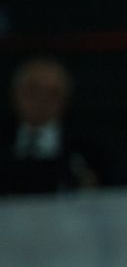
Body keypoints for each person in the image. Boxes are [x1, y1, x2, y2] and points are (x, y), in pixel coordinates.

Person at [0, 55, 98, 196]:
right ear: (15, 93)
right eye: (33, 90)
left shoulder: (87, 149)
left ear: (65, 99)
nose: (41, 100)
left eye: (52, 93)